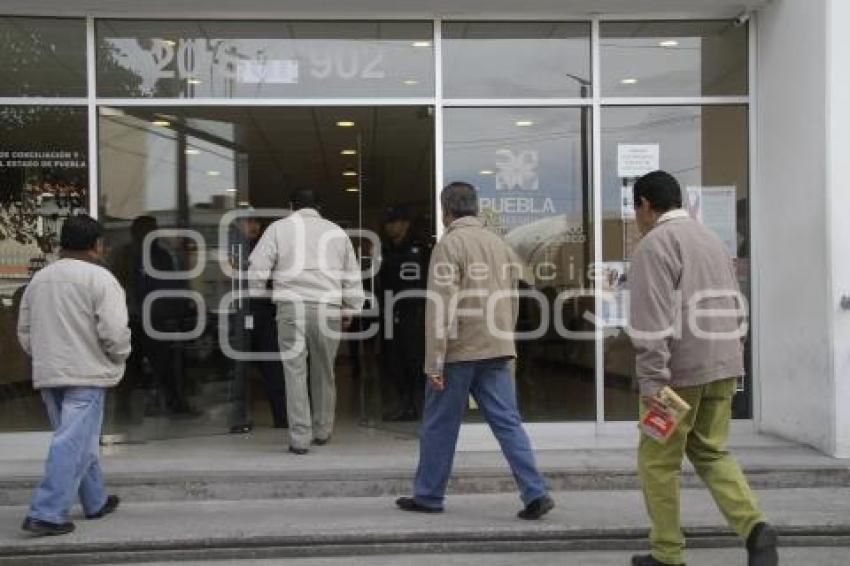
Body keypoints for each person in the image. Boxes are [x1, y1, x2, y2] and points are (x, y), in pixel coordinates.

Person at [627, 171, 778, 566]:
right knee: (712, 452)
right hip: (724, 365)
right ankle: (755, 527)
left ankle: (667, 553)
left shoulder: (653, 246)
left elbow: (651, 323)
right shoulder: (712, 240)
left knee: (657, 463)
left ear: (645, 204)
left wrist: (652, 382)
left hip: (677, 376)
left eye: (635, 207)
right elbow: (734, 303)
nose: (635, 215)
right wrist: (737, 353)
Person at [395, 181, 554, 520]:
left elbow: (440, 306)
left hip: (459, 350)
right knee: (508, 423)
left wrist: (434, 361)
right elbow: (512, 298)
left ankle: (428, 495)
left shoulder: (450, 245)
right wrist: (507, 342)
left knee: (439, 425)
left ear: (446, 211)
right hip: (496, 346)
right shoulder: (499, 244)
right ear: (476, 208)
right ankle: (535, 491)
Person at [18, 214, 130, 536]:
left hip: (50, 373)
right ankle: (46, 512)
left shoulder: (39, 280)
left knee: (76, 441)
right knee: (73, 443)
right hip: (87, 373)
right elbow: (115, 332)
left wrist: (43, 356)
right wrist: (119, 356)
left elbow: (25, 331)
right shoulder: (101, 279)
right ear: (97, 245)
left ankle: (95, 501)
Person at [248, 188, 364, 455]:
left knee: (294, 371)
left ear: (291, 206)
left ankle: (300, 438)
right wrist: (351, 307)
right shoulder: (336, 231)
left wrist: (259, 293)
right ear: (318, 207)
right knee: (324, 370)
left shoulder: (279, 228)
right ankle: (322, 430)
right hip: (329, 307)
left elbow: (257, 267)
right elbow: (351, 273)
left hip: (291, 306)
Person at [229, 215, 288, 433]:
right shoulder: (232, 248)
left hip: (263, 313)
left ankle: (281, 416)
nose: (253, 226)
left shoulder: (267, 248)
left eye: (256, 222)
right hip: (241, 312)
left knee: (273, 367)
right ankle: (238, 418)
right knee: (240, 369)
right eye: (248, 221)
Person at [378, 205, 430, 422]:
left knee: (415, 361)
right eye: (388, 222)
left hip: (416, 311)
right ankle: (405, 404)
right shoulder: (386, 248)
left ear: (406, 223)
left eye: (395, 222)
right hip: (392, 310)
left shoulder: (422, 247)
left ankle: (420, 406)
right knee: (394, 361)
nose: (390, 227)